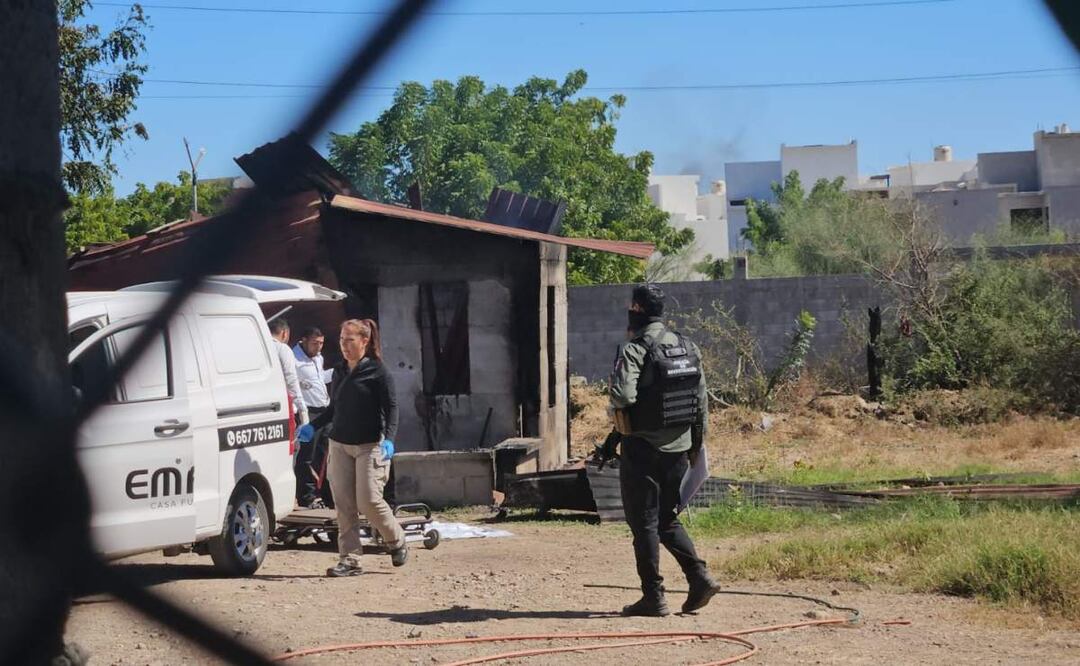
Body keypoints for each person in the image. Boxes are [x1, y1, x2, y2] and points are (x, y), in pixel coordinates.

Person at [608, 284, 719, 617]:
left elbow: (622, 397)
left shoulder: (635, 349)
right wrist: (696, 447)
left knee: (643, 523)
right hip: (680, 450)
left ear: (637, 310)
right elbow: (701, 403)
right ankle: (699, 578)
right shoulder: (686, 345)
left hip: (642, 448)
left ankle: (653, 598)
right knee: (666, 518)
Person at [302, 319, 408, 577]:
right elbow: (334, 409)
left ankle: (396, 540)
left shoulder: (378, 372)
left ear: (364, 341)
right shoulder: (339, 371)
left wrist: (390, 439)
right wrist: (313, 427)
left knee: (369, 500)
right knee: (344, 503)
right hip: (340, 444)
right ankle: (350, 560)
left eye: (350, 340)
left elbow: (392, 408)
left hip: (369, 445)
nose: (344, 345)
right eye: (341, 339)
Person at [293, 327, 334, 508]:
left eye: (321, 343)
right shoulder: (294, 360)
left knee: (325, 455)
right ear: (303, 340)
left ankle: (324, 494)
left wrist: (335, 373)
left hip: (325, 410)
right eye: (314, 343)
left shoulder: (319, 358)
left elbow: (319, 379)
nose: (318, 347)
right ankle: (306, 497)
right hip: (308, 412)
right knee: (306, 455)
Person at [269, 318, 307, 425]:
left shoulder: (257, 347)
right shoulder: (283, 349)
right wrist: (302, 409)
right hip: (282, 408)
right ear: (284, 333)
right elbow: (291, 380)